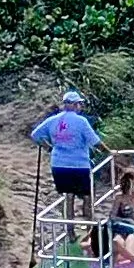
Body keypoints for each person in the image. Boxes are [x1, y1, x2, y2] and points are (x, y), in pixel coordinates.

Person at [30, 90, 101, 232]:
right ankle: (89, 229)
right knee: (87, 197)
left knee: (68, 197)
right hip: (79, 165)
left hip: (59, 164)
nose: (80, 107)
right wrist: (110, 152)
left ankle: (70, 232)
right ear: (75, 105)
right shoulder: (81, 121)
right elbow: (95, 142)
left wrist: (49, 148)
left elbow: (35, 135)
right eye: (79, 104)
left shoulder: (53, 120)